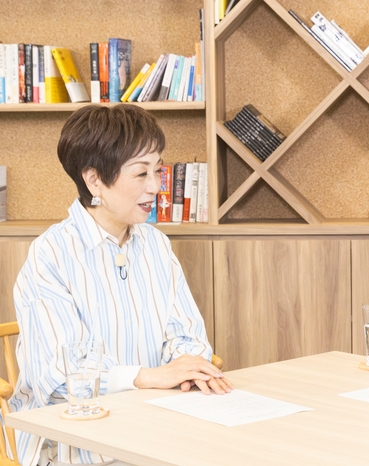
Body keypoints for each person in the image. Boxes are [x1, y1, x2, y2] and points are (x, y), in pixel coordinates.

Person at [10, 104, 234, 466]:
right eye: (141, 173)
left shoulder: (156, 244)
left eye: (158, 170)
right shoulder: (51, 255)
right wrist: (149, 377)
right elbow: (60, 378)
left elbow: (189, 339)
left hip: (154, 423)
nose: (156, 187)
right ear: (94, 180)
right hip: (71, 441)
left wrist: (186, 368)